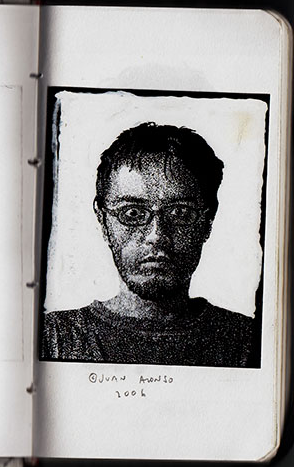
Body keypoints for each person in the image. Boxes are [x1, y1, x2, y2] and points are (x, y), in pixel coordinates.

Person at [42, 122, 256, 367]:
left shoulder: (248, 342)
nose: (157, 235)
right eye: (132, 213)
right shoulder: (53, 337)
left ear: (207, 222)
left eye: (179, 212)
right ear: (103, 221)